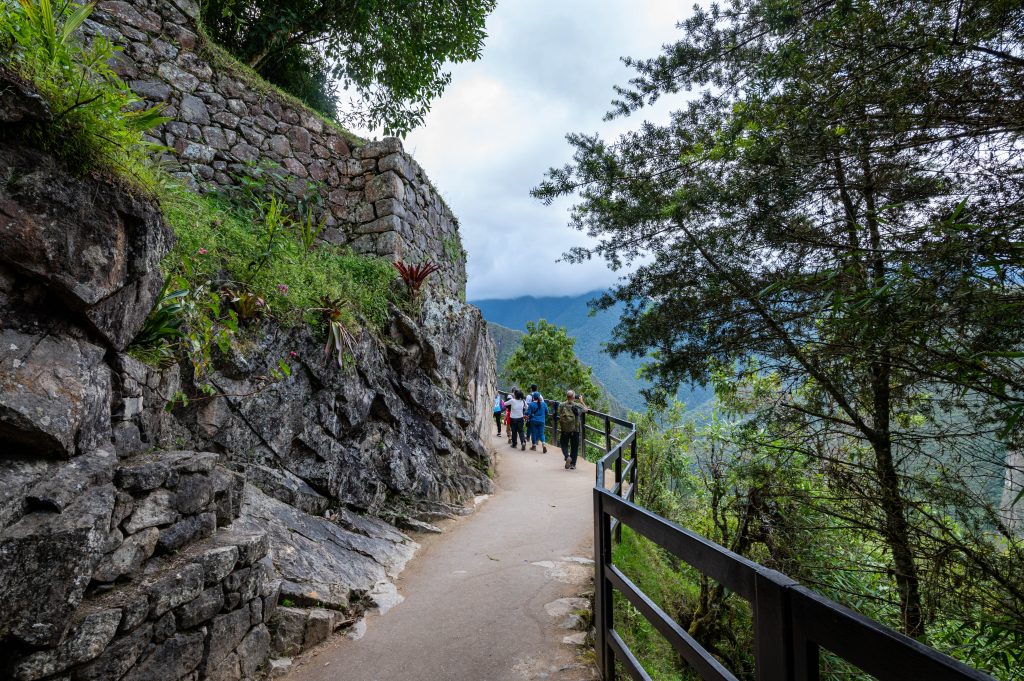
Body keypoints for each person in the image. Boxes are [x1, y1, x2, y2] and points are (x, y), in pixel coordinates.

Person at [557, 390, 587, 470]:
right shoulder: (578, 406)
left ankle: (567, 457)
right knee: (574, 447)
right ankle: (573, 464)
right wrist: (581, 401)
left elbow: (559, 412)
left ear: (567, 396)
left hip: (565, 429)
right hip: (575, 429)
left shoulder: (562, 405)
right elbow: (586, 409)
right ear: (574, 397)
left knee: (564, 444)